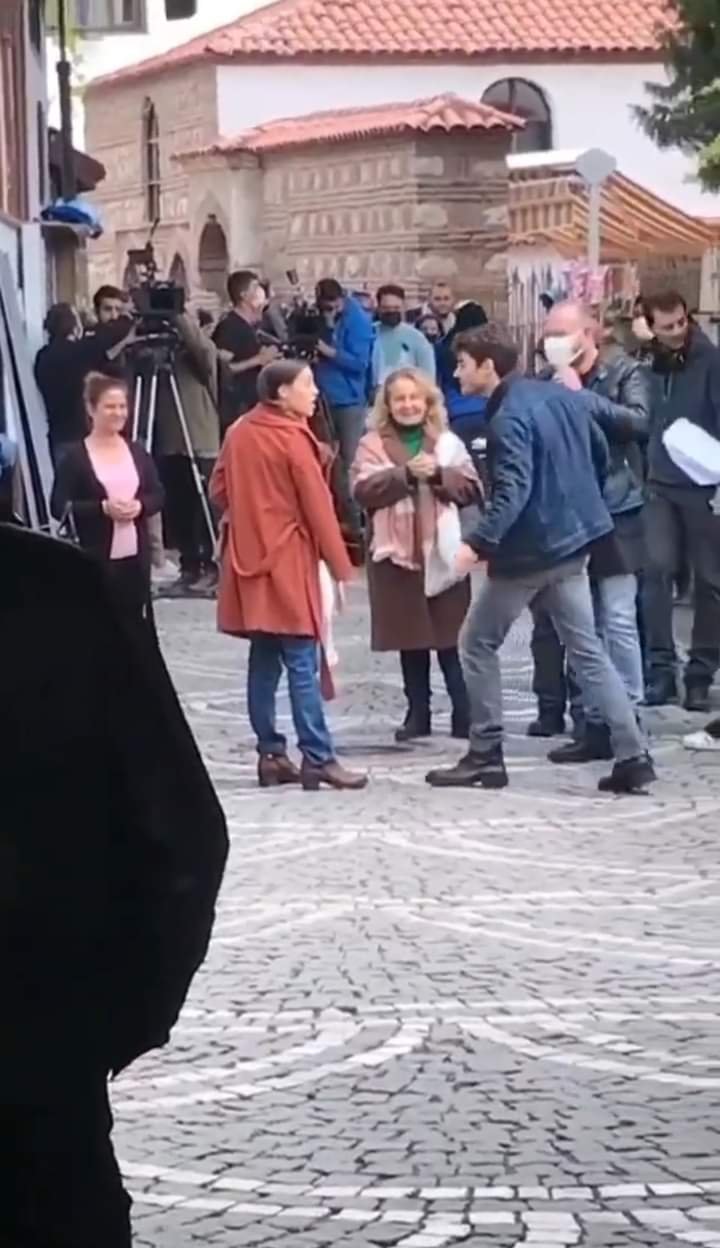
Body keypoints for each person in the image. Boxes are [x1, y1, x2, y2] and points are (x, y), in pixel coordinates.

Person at [0, 512, 228, 1248]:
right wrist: (111, 1025)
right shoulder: (59, 589)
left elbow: (184, 839)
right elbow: (184, 838)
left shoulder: (60, 590)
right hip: (44, 1059)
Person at [425, 328, 655, 795]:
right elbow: (597, 453)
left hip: (532, 549)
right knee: (588, 649)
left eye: (463, 364)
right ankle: (633, 754)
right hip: (575, 539)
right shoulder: (559, 395)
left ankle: (485, 753)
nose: (456, 373)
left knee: (476, 642)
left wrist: (478, 544)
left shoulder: (508, 416)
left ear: (488, 366)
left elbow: (514, 489)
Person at [210, 359, 367, 792]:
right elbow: (318, 508)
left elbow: (218, 490)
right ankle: (318, 757)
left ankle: (271, 754)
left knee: (263, 659)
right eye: (307, 384)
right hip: (289, 557)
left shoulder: (239, 431)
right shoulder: (292, 438)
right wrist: (341, 565)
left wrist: (253, 507)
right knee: (301, 660)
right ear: (282, 393)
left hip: (248, 557)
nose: (315, 392)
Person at [528, 301, 650, 762]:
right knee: (582, 624)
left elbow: (639, 423)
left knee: (617, 618)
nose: (553, 342)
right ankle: (593, 722)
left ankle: (629, 717)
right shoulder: (544, 380)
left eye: (562, 332)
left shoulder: (624, 372)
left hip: (618, 510)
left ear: (589, 333)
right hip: (569, 514)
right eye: (548, 333)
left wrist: (580, 397)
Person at [352, 368, 480, 741]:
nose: (407, 405)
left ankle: (465, 712)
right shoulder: (371, 444)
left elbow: (471, 488)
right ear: (388, 405)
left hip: (443, 553)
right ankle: (417, 714)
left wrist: (439, 475)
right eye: (399, 399)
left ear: (427, 402)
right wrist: (404, 475)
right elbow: (362, 490)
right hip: (396, 556)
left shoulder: (447, 442)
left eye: (414, 398)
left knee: (451, 637)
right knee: (410, 639)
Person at [641, 291, 720, 711]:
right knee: (655, 571)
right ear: (651, 327)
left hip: (705, 483)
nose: (676, 332)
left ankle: (700, 674)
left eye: (680, 323)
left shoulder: (711, 361)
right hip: (660, 482)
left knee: (709, 581)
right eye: (666, 326)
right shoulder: (649, 363)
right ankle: (661, 669)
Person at [51, 372, 164, 638]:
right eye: (110, 406)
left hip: (135, 559)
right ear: (91, 410)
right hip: (94, 556)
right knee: (98, 628)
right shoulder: (76, 457)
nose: (118, 413)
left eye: (122, 406)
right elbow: (58, 505)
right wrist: (101, 508)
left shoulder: (137, 452)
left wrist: (140, 506)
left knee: (135, 628)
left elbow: (157, 494)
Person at [154, 311, 223, 598]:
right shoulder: (161, 349)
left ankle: (212, 568)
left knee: (203, 510)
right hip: (169, 441)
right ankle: (189, 567)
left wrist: (180, 318)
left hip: (199, 438)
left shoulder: (200, 352)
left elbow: (204, 351)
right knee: (179, 509)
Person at [313, 278, 374, 531]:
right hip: (321, 397)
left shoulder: (358, 321)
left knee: (349, 462)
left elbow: (360, 363)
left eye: (332, 307)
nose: (329, 311)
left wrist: (329, 352)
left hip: (348, 401)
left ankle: (356, 520)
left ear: (341, 300)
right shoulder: (323, 316)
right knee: (324, 461)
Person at [212, 270, 278, 429]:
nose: (260, 291)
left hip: (252, 406)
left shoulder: (249, 327)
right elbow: (222, 368)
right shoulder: (229, 327)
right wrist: (258, 360)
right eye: (255, 287)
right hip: (236, 410)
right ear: (244, 295)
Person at [34, 303, 88, 464]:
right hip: (80, 431)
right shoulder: (80, 353)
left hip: (57, 432)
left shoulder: (42, 356)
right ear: (74, 326)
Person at [371, 284, 436, 388]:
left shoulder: (417, 338)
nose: (391, 311)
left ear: (404, 307)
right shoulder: (370, 333)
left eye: (396, 307)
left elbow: (428, 377)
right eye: (386, 308)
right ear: (378, 308)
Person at [82, 285, 137, 381]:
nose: (114, 316)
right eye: (108, 309)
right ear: (96, 311)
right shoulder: (89, 336)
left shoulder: (128, 333)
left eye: (118, 310)